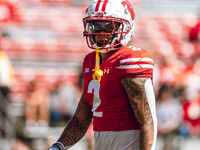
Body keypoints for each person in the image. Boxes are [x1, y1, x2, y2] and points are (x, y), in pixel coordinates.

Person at [48, 0, 157, 150]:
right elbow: (81, 119)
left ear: (125, 27)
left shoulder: (130, 60)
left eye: (107, 26)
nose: (100, 33)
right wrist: (58, 146)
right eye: (95, 26)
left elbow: (147, 121)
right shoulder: (91, 61)